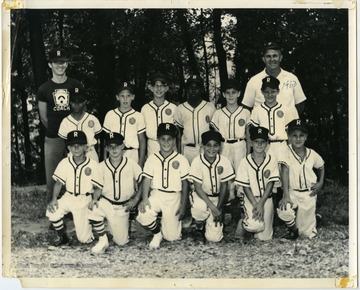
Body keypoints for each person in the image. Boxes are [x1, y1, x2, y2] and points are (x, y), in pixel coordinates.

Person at [37, 48, 84, 201]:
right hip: (53, 137)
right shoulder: (44, 89)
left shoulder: (76, 85)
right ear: (50, 65)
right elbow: (44, 118)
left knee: (78, 172)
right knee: (53, 176)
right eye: (56, 63)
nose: (60, 65)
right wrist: (57, 131)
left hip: (75, 138)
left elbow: (83, 112)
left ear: (67, 64)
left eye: (63, 62)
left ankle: (79, 208)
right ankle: (54, 214)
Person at [137, 123, 190, 249]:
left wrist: (183, 205)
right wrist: (145, 199)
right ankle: (157, 233)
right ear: (158, 140)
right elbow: (147, 179)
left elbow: (185, 184)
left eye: (170, 139)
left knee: (172, 237)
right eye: (163, 139)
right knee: (143, 215)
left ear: (174, 141)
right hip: (156, 194)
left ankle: (167, 225)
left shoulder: (181, 159)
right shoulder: (152, 158)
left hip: (174, 197)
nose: (166, 142)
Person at [88, 132, 142, 254]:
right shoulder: (101, 166)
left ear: (122, 146)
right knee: (93, 209)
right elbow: (98, 188)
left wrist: (136, 199)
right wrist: (94, 199)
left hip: (124, 206)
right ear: (106, 148)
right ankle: (102, 240)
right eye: (110, 146)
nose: (114, 149)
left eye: (116, 146)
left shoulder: (131, 164)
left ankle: (113, 227)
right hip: (107, 202)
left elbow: (143, 180)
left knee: (121, 242)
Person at [46, 130, 103, 246]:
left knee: (84, 239)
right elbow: (58, 183)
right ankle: (63, 237)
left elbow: (98, 187)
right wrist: (54, 199)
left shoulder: (92, 164)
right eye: (73, 145)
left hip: (84, 199)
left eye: (79, 145)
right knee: (52, 212)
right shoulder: (64, 162)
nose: (76, 148)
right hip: (69, 196)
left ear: (85, 147)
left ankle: (89, 228)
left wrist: (95, 199)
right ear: (69, 148)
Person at [277, 119, 325, 239]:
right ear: (289, 137)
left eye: (301, 135)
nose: (298, 139)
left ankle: (313, 220)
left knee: (307, 235)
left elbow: (321, 166)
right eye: (294, 136)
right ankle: (294, 231)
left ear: (306, 137)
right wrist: (286, 195)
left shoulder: (311, 153)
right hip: (292, 192)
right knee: (285, 210)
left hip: (309, 193)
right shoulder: (285, 151)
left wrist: (320, 182)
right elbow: (285, 171)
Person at [189, 130, 235, 243]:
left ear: (220, 147)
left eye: (215, 146)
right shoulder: (197, 161)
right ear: (202, 146)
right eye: (208, 145)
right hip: (201, 196)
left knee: (214, 238)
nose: (212, 149)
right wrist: (213, 209)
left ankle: (214, 221)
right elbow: (198, 188)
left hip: (217, 199)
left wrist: (218, 208)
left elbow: (224, 186)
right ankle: (199, 227)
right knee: (199, 209)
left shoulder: (224, 161)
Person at [234, 126, 280, 241]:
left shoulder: (272, 160)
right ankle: (243, 222)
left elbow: (271, 184)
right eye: (256, 142)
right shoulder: (244, 161)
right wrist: (256, 204)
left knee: (265, 237)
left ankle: (251, 225)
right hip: (251, 199)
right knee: (256, 226)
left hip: (266, 199)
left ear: (267, 144)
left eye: (262, 142)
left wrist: (261, 204)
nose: (259, 145)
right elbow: (245, 186)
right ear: (250, 142)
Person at [210, 78, 251, 202]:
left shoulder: (245, 112)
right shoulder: (218, 113)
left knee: (241, 173)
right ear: (223, 94)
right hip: (224, 144)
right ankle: (226, 203)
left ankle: (241, 204)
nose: (231, 95)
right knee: (225, 174)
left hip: (240, 144)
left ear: (239, 93)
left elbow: (248, 136)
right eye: (228, 92)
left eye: (234, 92)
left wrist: (249, 154)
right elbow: (215, 136)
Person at [242, 42, 306, 117]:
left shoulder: (292, 78)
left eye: (275, 56)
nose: (272, 59)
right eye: (268, 56)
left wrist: (290, 119)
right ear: (263, 59)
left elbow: (300, 104)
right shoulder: (254, 81)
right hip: (262, 127)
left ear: (280, 58)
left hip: (287, 127)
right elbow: (246, 108)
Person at [248, 76, 297, 161]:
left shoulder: (285, 109)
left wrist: (291, 150)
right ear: (262, 92)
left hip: (282, 146)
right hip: (265, 147)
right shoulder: (257, 110)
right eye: (266, 92)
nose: (270, 95)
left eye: (273, 91)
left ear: (278, 91)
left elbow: (290, 132)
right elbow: (252, 131)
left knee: (283, 172)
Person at [103, 81, 146, 168]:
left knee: (131, 180)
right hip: (114, 152)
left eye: (128, 96)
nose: (125, 99)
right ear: (117, 97)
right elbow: (106, 139)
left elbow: (142, 140)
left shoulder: (138, 115)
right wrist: (105, 158)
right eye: (122, 96)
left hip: (132, 153)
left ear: (133, 97)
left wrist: (141, 161)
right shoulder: (110, 114)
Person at [174, 75, 216, 164]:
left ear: (202, 89)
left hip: (205, 149)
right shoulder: (180, 108)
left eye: (197, 87)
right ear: (187, 89)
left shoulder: (210, 107)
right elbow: (178, 133)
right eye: (190, 87)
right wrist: (178, 153)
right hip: (187, 150)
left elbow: (214, 131)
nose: (193, 90)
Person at [58, 87, 102, 162]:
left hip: (90, 153)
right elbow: (65, 145)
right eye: (74, 101)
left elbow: (98, 141)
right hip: (73, 155)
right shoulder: (65, 121)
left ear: (85, 102)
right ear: (69, 102)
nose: (77, 104)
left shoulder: (92, 119)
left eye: (80, 101)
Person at [141, 73, 177, 157]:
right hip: (152, 145)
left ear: (166, 88)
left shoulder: (173, 108)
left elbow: (177, 132)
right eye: (156, 85)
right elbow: (142, 135)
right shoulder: (145, 108)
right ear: (151, 88)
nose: (159, 88)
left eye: (162, 86)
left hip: (169, 145)